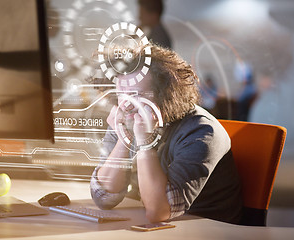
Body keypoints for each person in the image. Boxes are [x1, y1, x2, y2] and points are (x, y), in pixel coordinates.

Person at [90, 44, 242, 224]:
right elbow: (104, 198)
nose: (126, 104)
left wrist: (144, 140)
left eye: (136, 94)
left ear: (165, 94)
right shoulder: (127, 119)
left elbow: (158, 212)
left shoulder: (201, 132)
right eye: (121, 94)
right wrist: (124, 140)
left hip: (210, 229)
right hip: (163, 228)